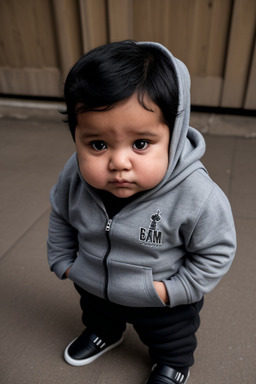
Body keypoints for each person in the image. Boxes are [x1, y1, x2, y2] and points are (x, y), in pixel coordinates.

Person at [47, 41, 236, 384]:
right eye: (98, 145)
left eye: (141, 144)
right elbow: (61, 213)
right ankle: (105, 332)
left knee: (170, 338)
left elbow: (217, 250)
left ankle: (173, 364)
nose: (119, 162)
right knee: (97, 315)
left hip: (162, 300)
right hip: (94, 285)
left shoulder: (196, 194)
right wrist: (64, 261)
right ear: (75, 135)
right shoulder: (74, 176)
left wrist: (173, 290)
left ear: (173, 136)